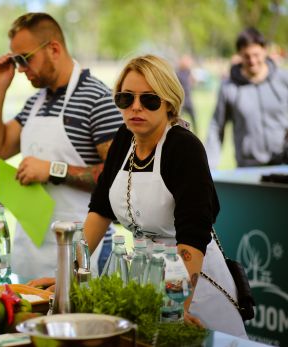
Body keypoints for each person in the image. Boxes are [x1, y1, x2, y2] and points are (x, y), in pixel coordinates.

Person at [84, 54, 247, 338]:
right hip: (146, 278)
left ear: (169, 102)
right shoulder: (124, 138)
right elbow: (99, 209)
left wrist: (177, 306)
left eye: (149, 100)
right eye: (126, 99)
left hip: (194, 287)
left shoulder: (184, 148)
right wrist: (70, 272)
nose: (135, 108)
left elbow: (193, 236)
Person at [0, 12, 123, 279]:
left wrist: (53, 170)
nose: (20, 69)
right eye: (15, 60)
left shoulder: (98, 99)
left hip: (84, 251)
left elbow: (119, 177)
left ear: (54, 49)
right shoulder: (36, 102)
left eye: (25, 58)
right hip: (32, 251)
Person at [205, 27, 288, 168]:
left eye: (256, 55)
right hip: (248, 166)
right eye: (246, 56)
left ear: (265, 50)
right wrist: (209, 167)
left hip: (284, 163)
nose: (252, 60)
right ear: (239, 55)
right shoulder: (228, 88)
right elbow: (216, 127)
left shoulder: (284, 79)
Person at [176, 54, 197, 133]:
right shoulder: (178, 73)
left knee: (194, 117)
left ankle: (195, 132)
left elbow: (193, 81)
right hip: (182, 100)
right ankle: (179, 130)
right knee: (178, 118)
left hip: (188, 99)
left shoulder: (188, 72)